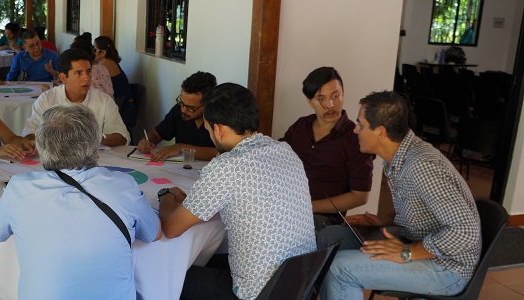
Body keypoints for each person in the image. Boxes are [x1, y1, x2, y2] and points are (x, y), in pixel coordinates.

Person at [159, 83, 316, 299]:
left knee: (167, 275)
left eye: (208, 131)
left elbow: (171, 228)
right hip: (298, 285)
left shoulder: (227, 166)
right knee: (208, 258)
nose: (210, 137)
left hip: (257, 293)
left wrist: (166, 196)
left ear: (219, 129)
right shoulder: (285, 150)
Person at [0, 103, 161, 298]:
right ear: (95, 147)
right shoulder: (123, 185)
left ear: (42, 147)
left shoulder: (19, 187)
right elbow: (153, 234)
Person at [318, 91, 481, 299]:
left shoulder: (421, 165)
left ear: (381, 132)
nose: (355, 130)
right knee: (330, 237)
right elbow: (421, 208)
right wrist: (382, 223)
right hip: (416, 242)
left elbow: (465, 232)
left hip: (447, 268)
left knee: (339, 268)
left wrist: (407, 252)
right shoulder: (398, 156)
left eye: (361, 125)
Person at [280, 67, 374, 231]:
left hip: (320, 219)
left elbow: (360, 196)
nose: (331, 105)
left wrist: (307, 207)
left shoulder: (355, 138)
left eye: (335, 96)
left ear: (343, 94)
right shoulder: (300, 126)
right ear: (310, 102)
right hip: (284, 205)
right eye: (321, 99)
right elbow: (276, 156)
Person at [22, 48, 130, 146]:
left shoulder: (104, 100)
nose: (86, 78)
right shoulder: (47, 99)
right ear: (64, 78)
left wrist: (97, 137)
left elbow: (122, 137)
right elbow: (30, 133)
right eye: (78, 73)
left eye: (88, 71)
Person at [137, 71, 218, 162]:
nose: (183, 110)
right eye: (181, 103)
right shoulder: (178, 110)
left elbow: (222, 153)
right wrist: (146, 142)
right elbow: (156, 134)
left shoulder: (219, 118)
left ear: (207, 104)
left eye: (191, 108)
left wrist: (181, 148)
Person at [93, 36, 133, 106]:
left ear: (103, 53)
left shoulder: (106, 63)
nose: (93, 53)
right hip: (121, 101)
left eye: (95, 50)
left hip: (123, 105)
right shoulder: (110, 61)